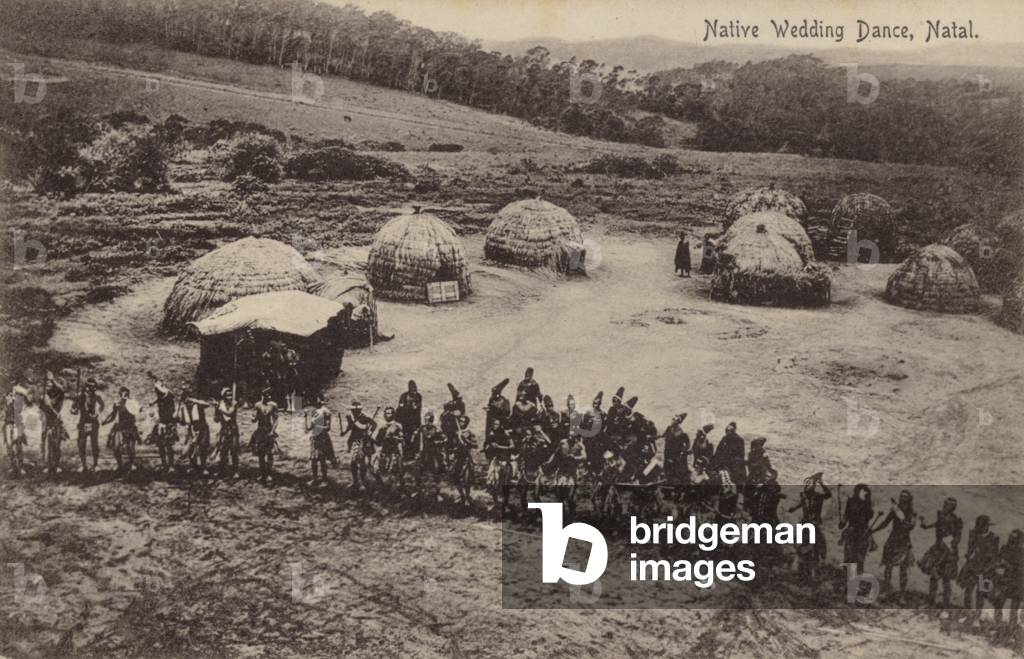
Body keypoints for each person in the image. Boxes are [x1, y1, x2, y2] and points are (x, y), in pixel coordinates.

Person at [872, 490, 918, 602]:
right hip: (893, 540)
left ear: (909, 499)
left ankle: (902, 595)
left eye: (905, 497)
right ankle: (887, 591)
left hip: (904, 542)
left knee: (903, 570)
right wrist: (873, 530)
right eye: (901, 496)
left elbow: (911, 526)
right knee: (888, 566)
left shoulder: (912, 512)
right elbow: (885, 523)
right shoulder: (894, 510)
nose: (902, 498)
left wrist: (904, 520)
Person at [919, 497, 962, 609]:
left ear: (952, 508)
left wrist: (950, 545)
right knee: (933, 576)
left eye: (947, 505)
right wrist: (926, 526)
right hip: (938, 549)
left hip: (947, 551)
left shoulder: (954, 520)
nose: (944, 506)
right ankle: (931, 602)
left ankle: (946, 606)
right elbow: (938, 524)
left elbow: (957, 536)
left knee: (945, 579)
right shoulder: (942, 515)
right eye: (944, 504)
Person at [789, 473, 832, 580]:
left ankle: (812, 572)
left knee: (816, 546)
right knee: (804, 546)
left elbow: (828, 495)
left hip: (813, 524)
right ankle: (804, 570)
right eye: (808, 485)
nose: (809, 486)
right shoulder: (806, 496)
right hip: (806, 524)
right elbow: (795, 506)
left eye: (811, 485)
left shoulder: (816, 496)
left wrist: (821, 483)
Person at [957, 515, 999, 620]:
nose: (980, 528)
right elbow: (970, 549)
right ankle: (967, 612)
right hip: (972, 567)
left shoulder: (993, 538)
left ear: (986, 526)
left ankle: (977, 616)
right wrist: (968, 556)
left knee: (980, 593)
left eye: (982, 526)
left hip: (984, 569)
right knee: (968, 590)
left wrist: (987, 567)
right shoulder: (974, 534)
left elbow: (994, 556)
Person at [101, 386, 140, 473]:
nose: (125, 394)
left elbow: (137, 411)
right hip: (120, 428)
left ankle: (131, 463)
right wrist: (105, 421)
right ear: (120, 394)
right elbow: (113, 415)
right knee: (116, 447)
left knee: (130, 447)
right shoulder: (117, 404)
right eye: (123, 393)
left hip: (130, 428)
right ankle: (120, 465)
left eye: (126, 393)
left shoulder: (132, 403)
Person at [839, 484, 875, 576]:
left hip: (862, 533)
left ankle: (857, 580)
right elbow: (846, 515)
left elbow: (870, 516)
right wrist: (843, 522)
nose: (856, 492)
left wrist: (867, 500)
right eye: (856, 490)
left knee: (860, 558)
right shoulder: (850, 501)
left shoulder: (867, 503)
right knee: (848, 557)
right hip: (851, 531)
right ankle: (847, 580)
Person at [71, 377, 105, 472]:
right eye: (89, 386)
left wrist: (97, 413)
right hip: (83, 422)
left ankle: (95, 464)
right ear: (86, 386)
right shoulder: (80, 396)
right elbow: (73, 409)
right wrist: (74, 409)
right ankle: (84, 465)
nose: (91, 389)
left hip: (93, 422)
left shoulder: (96, 396)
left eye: (93, 387)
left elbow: (102, 405)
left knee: (94, 444)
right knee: (81, 444)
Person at [177, 385, 211, 474]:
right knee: (192, 448)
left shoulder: (198, 405)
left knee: (203, 446)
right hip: (191, 429)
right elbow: (183, 422)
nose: (187, 401)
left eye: (188, 398)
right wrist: (178, 418)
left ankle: (203, 467)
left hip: (203, 428)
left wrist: (195, 400)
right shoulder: (183, 409)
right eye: (185, 399)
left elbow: (207, 404)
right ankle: (192, 466)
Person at [40, 372, 68, 477]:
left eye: (50, 384)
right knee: (47, 445)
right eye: (47, 384)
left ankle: (56, 465)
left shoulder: (58, 396)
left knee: (56, 445)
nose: (48, 386)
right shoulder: (44, 396)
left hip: (56, 422)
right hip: (47, 422)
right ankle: (48, 465)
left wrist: (52, 379)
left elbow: (62, 390)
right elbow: (43, 409)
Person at [413, 410, 446, 499]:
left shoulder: (437, 429)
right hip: (424, 453)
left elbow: (445, 439)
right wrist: (415, 435)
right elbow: (415, 436)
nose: (427, 422)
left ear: (432, 420)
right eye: (426, 420)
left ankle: (438, 493)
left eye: (429, 420)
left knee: (436, 472)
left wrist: (438, 442)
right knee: (417, 471)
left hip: (433, 454)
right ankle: (418, 490)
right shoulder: (422, 428)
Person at [992, 528, 1022, 625]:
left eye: (1014, 539)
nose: (1011, 540)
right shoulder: (1005, 548)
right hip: (1006, 580)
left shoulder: (1022, 552)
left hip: (1018, 582)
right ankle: (998, 625)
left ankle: (1011, 628)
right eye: (1010, 537)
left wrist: (1007, 565)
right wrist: (998, 564)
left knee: (1014, 609)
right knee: (998, 603)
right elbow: (998, 561)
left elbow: (1020, 569)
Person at [250, 388, 279, 483]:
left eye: (269, 395)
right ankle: (263, 473)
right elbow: (255, 418)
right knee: (261, 453)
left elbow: (275, 419)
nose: (268, 396)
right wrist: (253, 418)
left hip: (269, 430)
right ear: (262, 395)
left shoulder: (273, 405)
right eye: (266, 395)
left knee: (270, 453)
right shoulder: (258, 405)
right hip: (260, 430)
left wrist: (273, 430)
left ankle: (269, 473)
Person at [148, 380, 177, 471]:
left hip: (168, 424)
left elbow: (169, 394)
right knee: (160, 445)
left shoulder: (169, 396)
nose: (157, 393)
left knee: (168, 445)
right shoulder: (160, 398)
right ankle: (164, 464)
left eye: (158, 391)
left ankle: (171, 465)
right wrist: (152, 403)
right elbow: (158, 399)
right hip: (161, 424)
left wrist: (160, 386)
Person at [373, 406, 404, 487]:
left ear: (393, 414)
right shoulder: (382, 427)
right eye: (386, 413)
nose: (387, 415)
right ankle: (382, 487)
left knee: (394, 473)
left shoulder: (397, 426)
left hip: (394, 451)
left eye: (389, 413)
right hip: (384, 451)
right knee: (375, 469)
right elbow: (378, 440)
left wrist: (393, 438)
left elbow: (401, 439)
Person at [307, 393, 335, 486]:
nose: (315, 400)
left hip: (322, 438)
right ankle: (314, 479)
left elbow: (327, 427)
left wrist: (318, 427)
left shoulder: (325, 411)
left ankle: (324, 479)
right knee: (313, 460)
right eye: (313, 399)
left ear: (321, 399)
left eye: (316, 398)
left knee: (322, 459)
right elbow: (310, 427)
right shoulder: (314, 411)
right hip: (314, 438)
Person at [449, 415, 477, 505]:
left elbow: (475, 445)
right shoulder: (456, 433)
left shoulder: (469, 433)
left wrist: (466, 440)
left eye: (463, 422)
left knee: (467, 479)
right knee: (454, 476)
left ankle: (468, 496)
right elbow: (453, 445)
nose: (461, 423)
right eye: (460, 421)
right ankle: (461, 495)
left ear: (466, 423)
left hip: (466, 458)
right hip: (458, 458)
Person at [3, 384, 30, 476]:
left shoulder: (20, 398)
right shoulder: (6, 396)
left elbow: (28, 395)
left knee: (18, 445)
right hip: (8, 423)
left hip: (17, 424)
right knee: (9, 446)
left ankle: (21, 466)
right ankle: (13, 465)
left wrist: (17, 391)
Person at [214, 387, 241, 478]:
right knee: (223, 450)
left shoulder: (234, 403)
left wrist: (219, 409)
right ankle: (222, 470)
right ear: (224, 396)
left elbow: (229, 413)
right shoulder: (220, 404)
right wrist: (216, 409)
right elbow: (216, 419)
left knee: (234, 450)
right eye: (227, 395)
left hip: (233, 429)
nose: (230, 397)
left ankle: (235, 471)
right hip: (224, 429)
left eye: (230, 394)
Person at [711, 422, 746, 489]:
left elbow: (741, 455)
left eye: (729, 431)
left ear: (733, 431)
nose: (727, 433)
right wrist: (714, 462)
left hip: (734, 464)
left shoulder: (739, 440)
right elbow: (718, 451)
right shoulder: (724, 438)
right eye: (726, 431)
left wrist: (732, 461)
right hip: (723, 463)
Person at [662, 413, 690, 484]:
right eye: (672, 419)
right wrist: (651, 437)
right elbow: (663, 435)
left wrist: (683, 451)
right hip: (667, 452)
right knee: (666, 467)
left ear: (678, 422)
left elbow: (687, 443)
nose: (672, 421)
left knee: (675, 470)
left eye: (674, 420)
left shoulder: (682, 433)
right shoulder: (669, 428)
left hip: (676, 454)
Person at [396, 380, 422, 455]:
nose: (414, 391)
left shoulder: (418, 396)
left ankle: (414, 456)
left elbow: (417, 409)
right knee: (405, 440)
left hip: (414, 423)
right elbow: (400, 408)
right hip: (405, 422)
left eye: (415, 389)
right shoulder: (404, 396)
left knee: (414, 440)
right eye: (412, 389)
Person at [485, 378, 511, 443]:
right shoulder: (492, 399)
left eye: (494, 393)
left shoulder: (504, 401)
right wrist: (489, 409)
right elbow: (490, 407)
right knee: (489, 432)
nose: (493, 394)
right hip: (491, 420)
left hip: (501, 420)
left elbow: (507, 412)